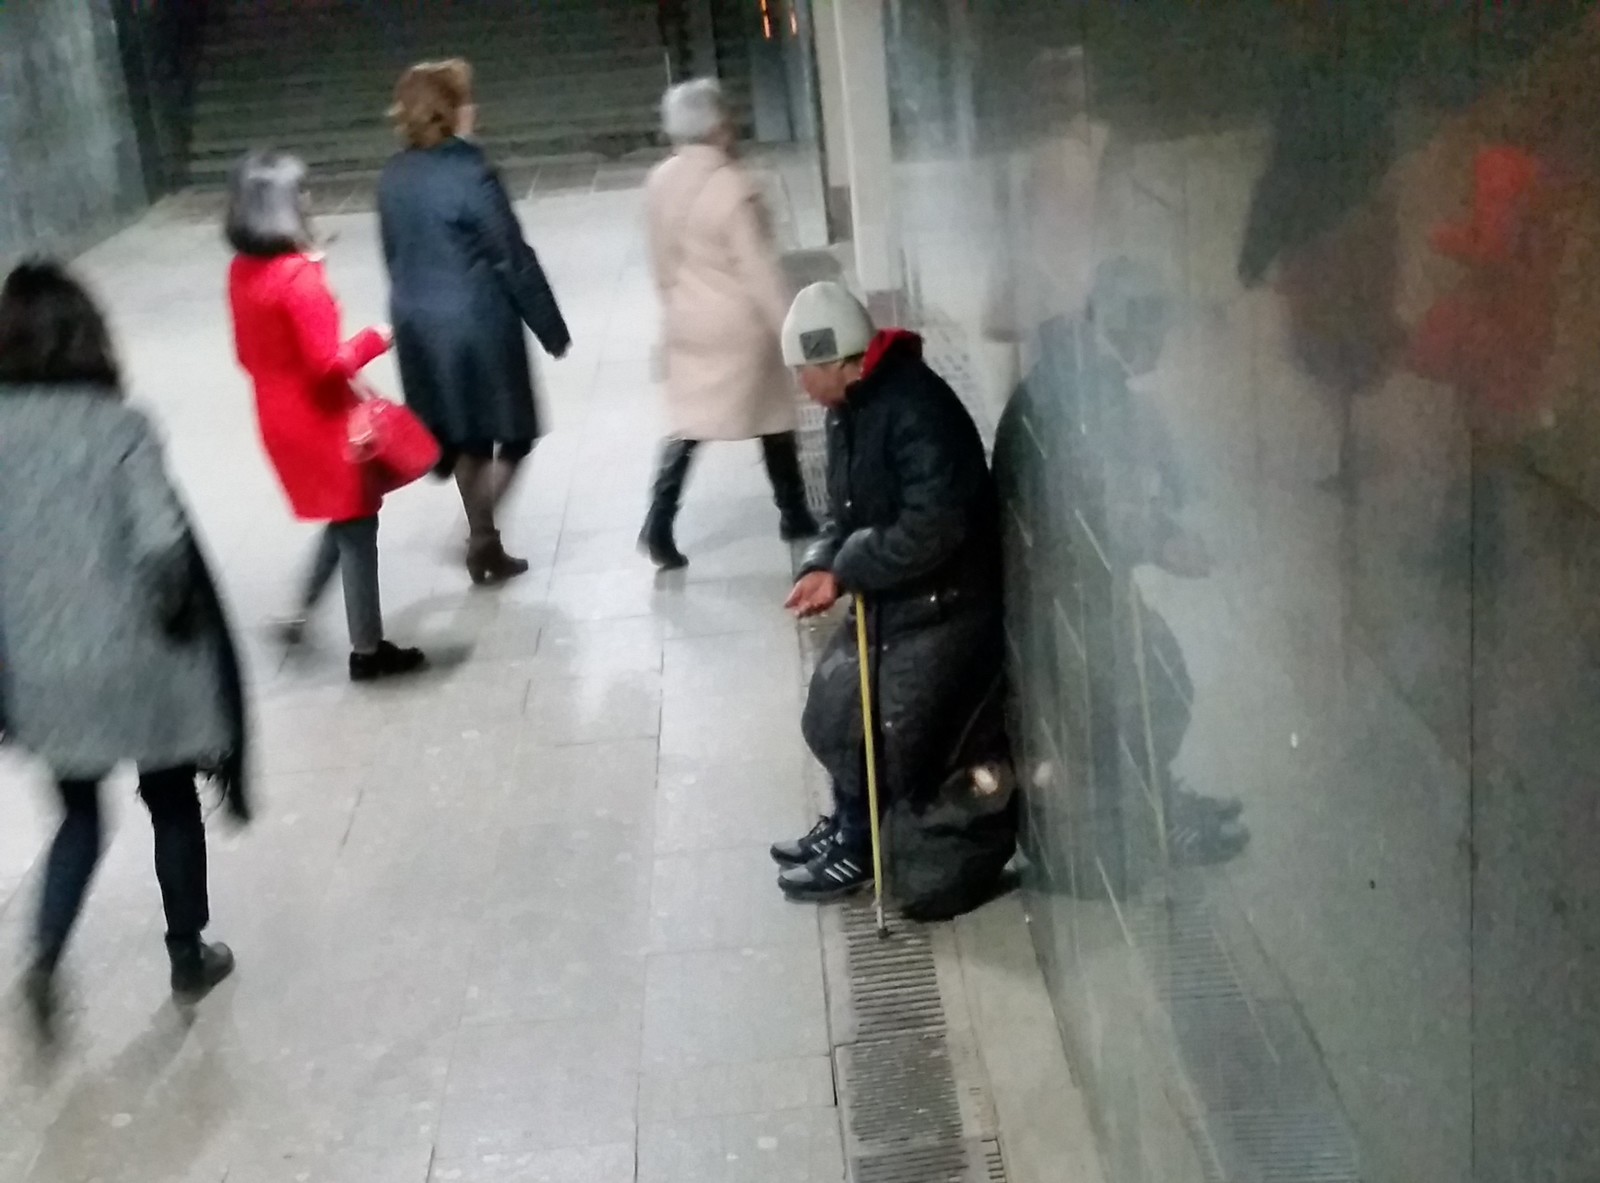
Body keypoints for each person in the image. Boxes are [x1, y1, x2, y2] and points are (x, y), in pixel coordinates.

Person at [0, 261, 250, 1036]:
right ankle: (187, 952)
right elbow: (161, 547)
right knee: (170, 801)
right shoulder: (119, 424)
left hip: (41, 664)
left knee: (79, 815)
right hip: (140, 658)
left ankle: (43, 956)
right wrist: (171, 615)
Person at [771, 283, 1014, 914]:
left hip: (946, 603)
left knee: (870, 721)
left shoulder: (913, 410)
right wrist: (824, 561)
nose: (802, 387)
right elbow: (845, 513)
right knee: (833, 702)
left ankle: (859, 842)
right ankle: (848, 820)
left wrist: (847, 569)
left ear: (837, 362)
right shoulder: (851, 409)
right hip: (902, 596)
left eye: (804, 372)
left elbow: (935, 523)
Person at [226, 150, 425, 682]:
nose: (310, 200)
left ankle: (300, 613)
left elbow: (245, 354)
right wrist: (374, 339)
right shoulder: (298, 277)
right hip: (322, 417)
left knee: (344, 513)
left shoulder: (242, 270)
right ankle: (368, 650)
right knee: (358, 523)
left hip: (275, 414)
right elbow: (325, 364)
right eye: (302, 193)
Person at [377, 58, 571, 585]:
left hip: (419, 323)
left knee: (465, 436)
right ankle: (479, 536)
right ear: (453, 110)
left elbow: (394, 252)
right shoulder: (472, 171)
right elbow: (510, 254)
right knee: (514, 433)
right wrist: (550, 326)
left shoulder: (393, 175)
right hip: (476, 321)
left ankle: (484, 543)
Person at [639, 78, 818, 570]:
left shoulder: (660, 180)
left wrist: (674, 305)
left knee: (689, 424)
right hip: (741, 328)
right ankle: (794, 513)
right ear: (718, 126)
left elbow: (658, 259)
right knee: (775, 419)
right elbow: (760, 271)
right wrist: (793, 328)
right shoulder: (736, 188)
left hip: (686, 320)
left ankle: (658, 521)